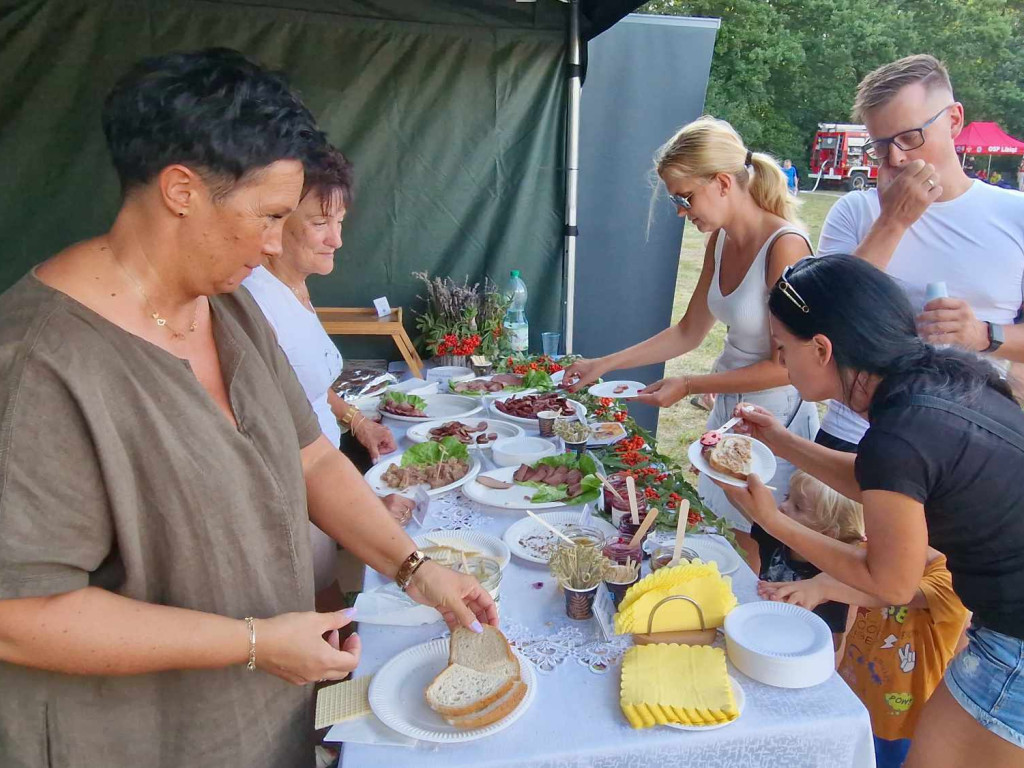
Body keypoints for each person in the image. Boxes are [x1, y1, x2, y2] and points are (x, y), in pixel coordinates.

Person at [0, 49, 495, 768]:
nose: (273, 247)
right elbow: (19, 618)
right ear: (181, 191)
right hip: (143, 743)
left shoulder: (228, 307)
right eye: (268, 217)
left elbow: (313, 456)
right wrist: (256, 644)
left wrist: (415, 568)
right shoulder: (37, 364)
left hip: (262, 722)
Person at [722, 255, 1024, 767]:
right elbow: (881, 480)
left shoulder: (901, 432)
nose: (781, 359)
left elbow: (890, 584)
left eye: (783, 347)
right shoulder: (934, 383)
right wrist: (782, 441)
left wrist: (774, 520)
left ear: (821, 349)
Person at [563, 116, 819, 561]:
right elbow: (688, 331)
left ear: (722, 182)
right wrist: (602, 364)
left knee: (762, 543)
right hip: (730, 408)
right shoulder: (719, 240)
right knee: (724, 530)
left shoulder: (786, 246)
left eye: (686, 197)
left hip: (778, 417)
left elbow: (787, 367)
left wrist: (692, 385)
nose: (682, 212)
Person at [816, 54, 1024, 453]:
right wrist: (891, 222)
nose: (896, 158)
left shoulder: (1014, 217)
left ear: (954, 120)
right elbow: (822, 320)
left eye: (910, 137)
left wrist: (982, 334)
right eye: (880, 146)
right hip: (854, 435)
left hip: (963, 444)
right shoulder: (857, 211)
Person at [243, 144, 410, 597]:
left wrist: (356, 422)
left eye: (339, 222)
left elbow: (306, 385)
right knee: (322, 623)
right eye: (320, 223)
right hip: (296, 511)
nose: (336, 239)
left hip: (324, 495)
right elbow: (272, 447)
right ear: (275, 221)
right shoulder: (254, 304)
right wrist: (366, 507)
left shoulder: (294, 285)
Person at [761, 546, 968, 768]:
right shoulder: (880, 551)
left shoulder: (952, 580)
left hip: (898, 718)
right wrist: (814, 585)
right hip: (852, 693)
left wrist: (821, 588)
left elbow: (893, 595)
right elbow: (844, 565)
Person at [752, 470, 864, 651]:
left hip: (798, 651)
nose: (783, 506)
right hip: (761, 631)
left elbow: (832, 643)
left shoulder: (833, 578)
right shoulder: (775, 538)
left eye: (798, 507)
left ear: (827, 533)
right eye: (787, 496)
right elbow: (749, 507)